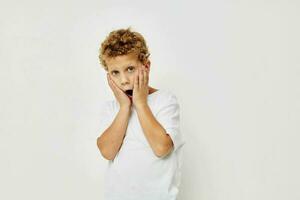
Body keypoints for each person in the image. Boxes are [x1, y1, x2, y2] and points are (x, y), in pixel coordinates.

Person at [96, 27, 186, 200]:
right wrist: (124, 108)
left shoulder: (165, 101)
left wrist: (140, 103)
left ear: (146, 66)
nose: (124, 80)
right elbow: (107, 151)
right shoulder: (111, 108)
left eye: (130, 69)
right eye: (115, 72)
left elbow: (161, 148)